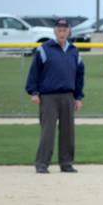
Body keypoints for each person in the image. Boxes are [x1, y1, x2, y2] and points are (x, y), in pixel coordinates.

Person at [25, 18, 84, 174]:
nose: (62, 32)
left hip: (68, 96)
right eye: (59, 30)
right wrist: (34, 92)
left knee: (68, 132)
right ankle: (42, 164)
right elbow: (34, 72)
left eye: (65, 30)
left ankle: (66, 163)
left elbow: (79, 75)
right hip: (48, 96)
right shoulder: (44, 49)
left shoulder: (74, 51)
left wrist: (78, 97)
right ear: (55, 31)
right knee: (48, 131)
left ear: (69, 31)